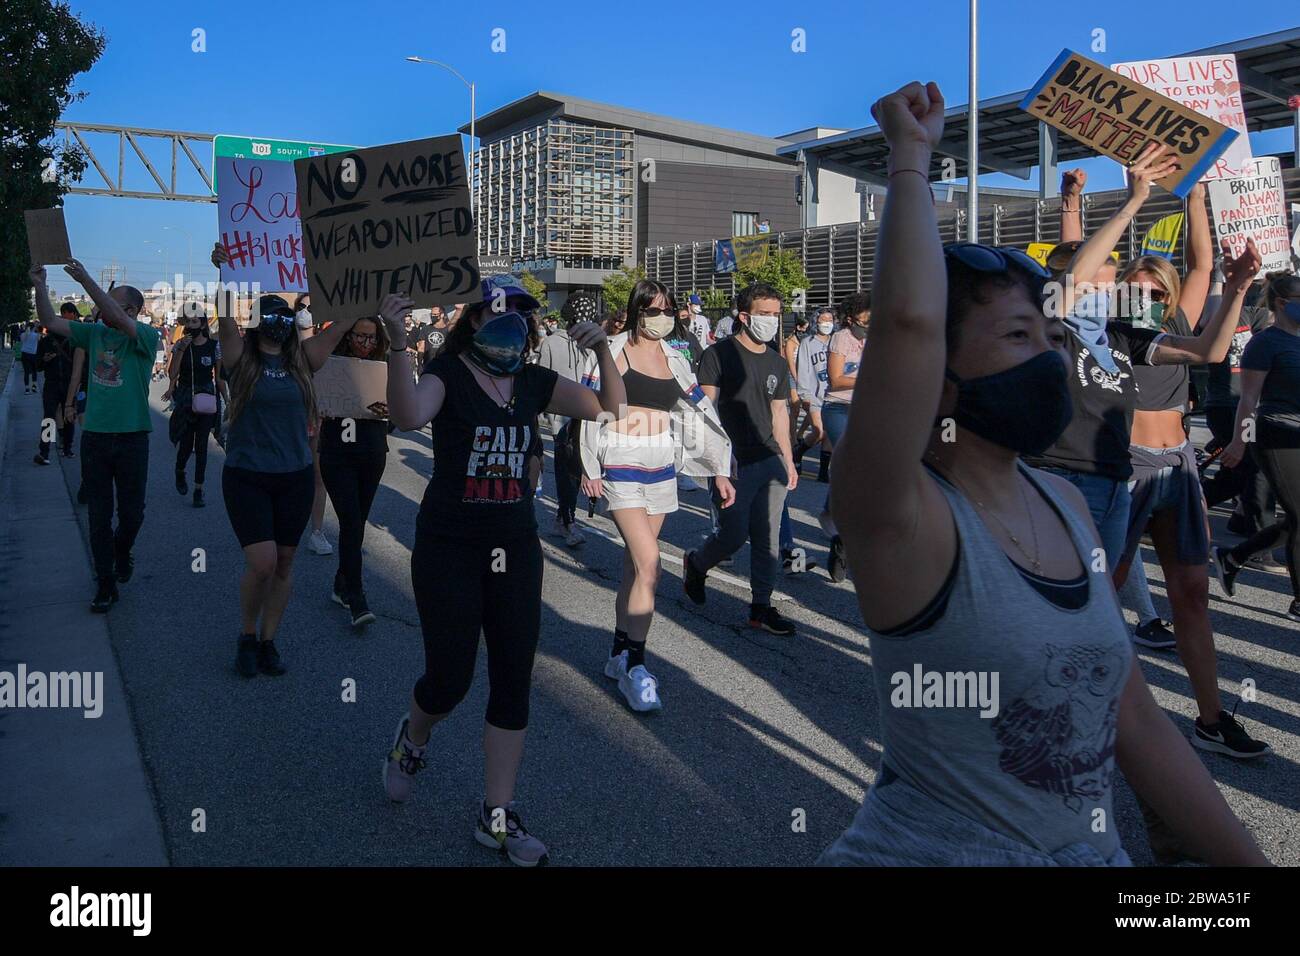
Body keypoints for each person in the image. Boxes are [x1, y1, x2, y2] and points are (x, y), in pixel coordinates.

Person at [819, 80, 1267, 868]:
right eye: (1021, 335)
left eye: (1052, 335)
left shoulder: (1062, 502)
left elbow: (1136, 723)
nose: (1053, 356)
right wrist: (910, 162)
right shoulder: (900, 514)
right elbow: (908, 324)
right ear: (941, 375)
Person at [379, 280, 626, 867]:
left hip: (514, 546)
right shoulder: (449, 372)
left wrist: (605, 354)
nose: (511, 324)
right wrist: (394, 343)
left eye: (521, 316)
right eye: (499, 314)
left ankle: (497, 817)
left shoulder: (534, 382)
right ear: (473, 321)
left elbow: (608, 408)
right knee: (450, 678)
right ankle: (413, 736)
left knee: (513, 677)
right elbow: (409, 415)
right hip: (449, 547)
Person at [577, 279, 734, 710]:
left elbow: (697, 412)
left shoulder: (677, 356)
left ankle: (617, 653)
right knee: (650, 566)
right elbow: (593, 410)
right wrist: (589, 467)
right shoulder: (611, 349)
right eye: (652, 311)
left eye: (667, 310)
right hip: (622, 462)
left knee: (633, 568)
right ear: (635, 311)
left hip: (661, 465)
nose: (660, 319)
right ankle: (637, 666)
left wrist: (718, 469)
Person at [210, 241, 363, 676]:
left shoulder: (303, 360)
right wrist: (223, 272)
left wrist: (368, 278)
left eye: (285, 315)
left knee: (286, 562)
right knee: (262, 562)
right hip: (247, 476)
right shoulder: (241, 358)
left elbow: (340, 327)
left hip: (294, 477)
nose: (278, 322)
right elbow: (224, 321)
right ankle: (245, 633)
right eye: (270, 315)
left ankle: (268, 640)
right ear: (257, 322)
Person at [30, 261, 160, 613]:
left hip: (133, 439)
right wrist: (40, 286)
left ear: (131, 310)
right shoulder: (94, 334)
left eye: (111, 302)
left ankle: (122, 550)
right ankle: (105, 582)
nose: (102, 308)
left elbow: (115, 317)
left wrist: (85, 279)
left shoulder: (147, 337)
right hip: (97, 439)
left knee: (133, 514)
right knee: (99, 514)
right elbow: (52, 321)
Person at [683, 282, 799, 636]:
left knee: (768, 538)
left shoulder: (777, 362)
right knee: (733, 537)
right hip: (732, 464)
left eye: (777, 315)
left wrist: (789, 462)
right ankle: (697, 564)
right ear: (745, 316)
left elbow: (780, 415)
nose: (772, 321)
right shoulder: (718, 354)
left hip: (770, 461)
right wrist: (717, 463)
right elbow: (707, 410)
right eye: (765, 314)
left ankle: (761, 607)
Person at [1216, 272, 1300, 614]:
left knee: (1297, 519)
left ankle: (1233, 557)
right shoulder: (1265, 343)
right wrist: (1239, 442)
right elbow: (1248, 399)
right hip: (1275, 433)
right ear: (1282, 303)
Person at [319, 315, 391, 629]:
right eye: (359, 336)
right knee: (350, 521)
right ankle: (356, 596)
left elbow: (403, 414)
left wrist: (391, 411)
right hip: (337, 452)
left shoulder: (387, 366)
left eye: (371, 338)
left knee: (357, 522)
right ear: (348, 336)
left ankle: (340, 581)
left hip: (373, 451)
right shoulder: (330, 363)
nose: (365, 343)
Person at [537, 291, 597, 547]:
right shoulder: (552, 343)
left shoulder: (592, 345)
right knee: (567, 467)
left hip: (586, 414)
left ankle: (564, 516)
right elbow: (543, 378)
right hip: (562, 416)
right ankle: (566, 518)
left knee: (575, 467)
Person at [819, 291, 871, 583]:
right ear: (851, 318)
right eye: (865, 319)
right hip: (839, 408)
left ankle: (838, 526)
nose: (869, 323)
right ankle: (841, 530)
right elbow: (836, 378)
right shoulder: (841, 338)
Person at [163, 308, 220, 508]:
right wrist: (180, 350)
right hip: (186, 399)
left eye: (195, 322)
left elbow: (219, 376)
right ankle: (180, 471)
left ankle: (198, 489)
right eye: (188, 322)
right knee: (186, 445)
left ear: (203, 324)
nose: (190, 326)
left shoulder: (214, 346)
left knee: (202, 446)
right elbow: (172, 374)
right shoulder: (181, 345)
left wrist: (227, 399)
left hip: (206, 399)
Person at [34, 303, 82, 464]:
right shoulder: (46, 341)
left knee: (68, 416)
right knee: (49, 417)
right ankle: (44, 452)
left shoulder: (74, 341)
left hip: (68, 383)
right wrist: (44, 360)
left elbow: (80, 364)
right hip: (52, 384)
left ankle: (67, 448)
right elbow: (37, 365)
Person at [796, 307, 833, 481]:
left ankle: (824, 471)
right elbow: (803, 369)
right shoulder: (808, 343)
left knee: (829, 433)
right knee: (819, 431)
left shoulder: (835, 342)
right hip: (814, 393)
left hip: (833, 395)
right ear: (816, 322)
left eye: (830, 320)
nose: (827, 323)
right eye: (823, 320)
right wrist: (804, 394)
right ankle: (799, 450)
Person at [416, 304, 452, 370]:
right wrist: (419, 364)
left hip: (445, 364)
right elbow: (421, 348)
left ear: (442, 315)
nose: (432, 316)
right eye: (431, 314)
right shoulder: (425, 328)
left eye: (435, 314)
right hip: (429, 364)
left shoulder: (448, 329)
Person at [20, 321, 40, 393]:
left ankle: (27, 389)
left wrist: (27, 332)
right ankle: (34, 387)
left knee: (26, 372)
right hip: (33, 354)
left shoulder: (23, 334)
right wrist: (37, 328)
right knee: (34, 371)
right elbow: (40, 338)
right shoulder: (36, 335)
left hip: (25, 354)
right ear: (33, 328)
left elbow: (22, 340)